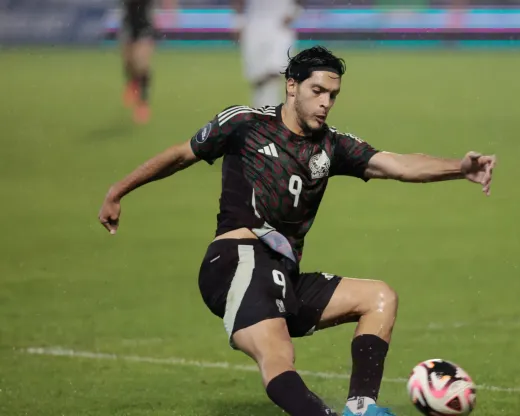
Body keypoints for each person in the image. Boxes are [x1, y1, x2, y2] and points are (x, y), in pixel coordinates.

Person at [98, 45, 496, 416]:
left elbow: (398, 164)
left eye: (333, 94)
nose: (325, 102)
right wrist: (118, 190)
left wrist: (459, 169)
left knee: (379, 298)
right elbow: (181, 154)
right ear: (292, 86)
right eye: (317, 90)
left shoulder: (332, 145)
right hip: (238, 258)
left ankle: (361, 408)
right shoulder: (245, 124)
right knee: (277, 354)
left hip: (280, 275)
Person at [233, 0, 301, 108]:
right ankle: (260, 112)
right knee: (257, 77)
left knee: (275, 70)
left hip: (280, 26)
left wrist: (293, 12)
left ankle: (270, 112)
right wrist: (238, 22)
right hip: (254, 26)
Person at [120, 0, 176, 124]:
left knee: (142, 63)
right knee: (129, 62)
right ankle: (133, 82)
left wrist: (169, 8)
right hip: (129, 25)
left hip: (144, 26)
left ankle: (143, 103)